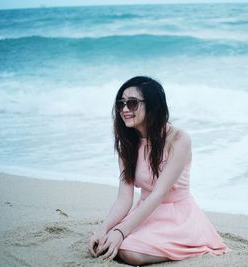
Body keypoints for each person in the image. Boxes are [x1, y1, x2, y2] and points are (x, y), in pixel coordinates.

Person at [88, 76, 228, 265]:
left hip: (177, 217)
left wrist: (120, 231)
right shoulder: (127, 144)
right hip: (145, 211)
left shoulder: (179, 139)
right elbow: (124, 198)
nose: (125, 109)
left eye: (132, 103)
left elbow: (158, 194)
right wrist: (104, 229)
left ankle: (192, 244)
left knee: (129, 252)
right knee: (107, 244)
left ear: (153, 105)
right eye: (121, 104)